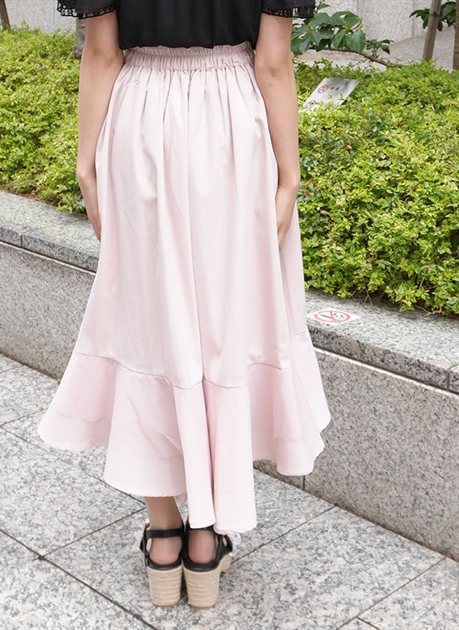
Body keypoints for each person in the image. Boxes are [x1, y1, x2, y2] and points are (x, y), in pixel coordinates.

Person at [39, 0, 330, 609]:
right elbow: (273, 62)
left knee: (149, 323)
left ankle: (164, 531)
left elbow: (102, 51)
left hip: (141, 117)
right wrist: (289, 176)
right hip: (232, 121)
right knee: (223, 323)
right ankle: (205, 537)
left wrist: (87, 164)